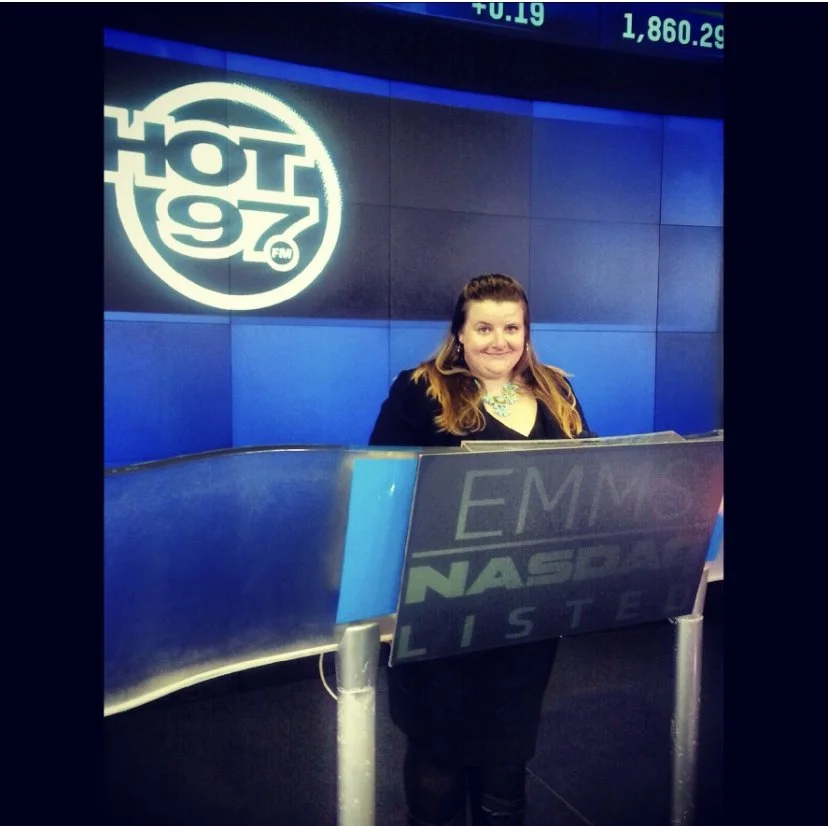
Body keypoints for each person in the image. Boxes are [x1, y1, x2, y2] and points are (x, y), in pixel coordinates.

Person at [369, 274, 595, 826]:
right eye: (485, 327)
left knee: (506, 747)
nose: (500, 340)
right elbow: (383, 487)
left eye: (511, 327)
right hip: (440, 606)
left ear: (526, 332)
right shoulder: (421, 389)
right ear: (459, 334)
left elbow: (589, 480)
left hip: (525, 610)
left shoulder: (556, 389)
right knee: (439, 747)